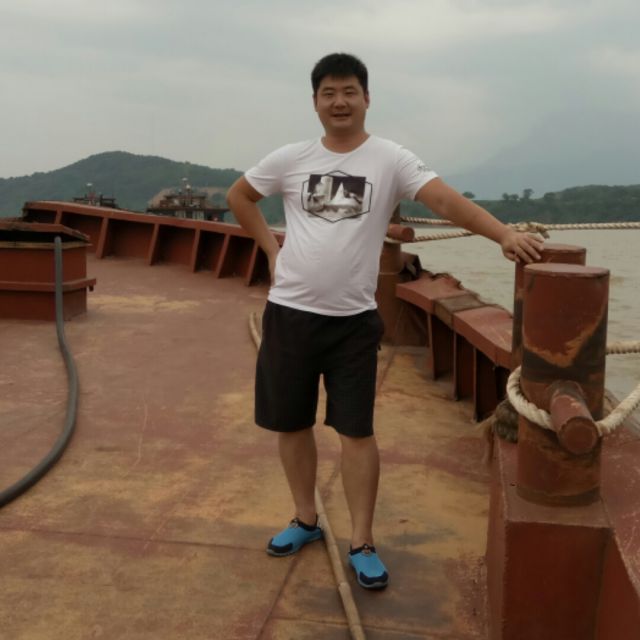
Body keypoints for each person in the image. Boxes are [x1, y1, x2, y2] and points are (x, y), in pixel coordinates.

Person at [226, 52, 543, 590]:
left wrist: (504, 235)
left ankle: (362, 540)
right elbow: (241, 196)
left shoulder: (390, 159)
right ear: (314, 103)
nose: (339, 102)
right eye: (328, 93)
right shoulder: (291, 158)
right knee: (291, 423)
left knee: (356, 431)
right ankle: (305, 518)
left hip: (352, 322)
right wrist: (271, 250)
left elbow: (445, 201)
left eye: (349, 91)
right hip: (290, 315)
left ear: (367, 98)